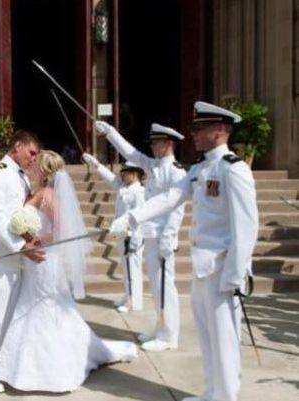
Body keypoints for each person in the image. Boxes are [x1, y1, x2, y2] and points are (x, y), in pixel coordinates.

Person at [109, 101, 258, 401]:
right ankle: (212, 392)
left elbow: (247, 226)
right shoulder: (201, 169)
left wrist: (235, 275)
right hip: (204, 268)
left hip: (222, 270)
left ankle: (226, 397)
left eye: (199, 128)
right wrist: (132, 217)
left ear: (219, 130)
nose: (193, 134)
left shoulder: (234, 170)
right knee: (207, 337)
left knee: (225, 340)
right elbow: (170, 198)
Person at [0, 150, 138, 392]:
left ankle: (54, 369)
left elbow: (61, 229)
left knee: (45, 307)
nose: (31, 166)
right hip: (34, 261)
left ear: (44, 171)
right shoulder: (34, 191)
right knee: (35, 305)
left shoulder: (48, 195)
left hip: (46, 259)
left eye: (35, 163)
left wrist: (37, 238)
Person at [94, 121, 186, 352]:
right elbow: (130, 152)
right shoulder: (154, 165)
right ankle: (161, 327)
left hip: (163, 237)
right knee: (156, 287)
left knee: (165, 287)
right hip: (151, 234)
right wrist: (110, 132)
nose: (153, 146)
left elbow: (176, 210)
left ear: (168, 143)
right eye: (153, 142)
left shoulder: (176, 171)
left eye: (157, 142)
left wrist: (168, 239)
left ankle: (169, 336)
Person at [0, 130, 45, 394]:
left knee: (6, 317)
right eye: (31, 153)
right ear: (18, 146)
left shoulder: (21, 176)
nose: (33, 159)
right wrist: (20, 246)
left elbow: (20, 215)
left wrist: (30, 238)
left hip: (13, 259)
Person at [83, 155, 145, 312]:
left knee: (133, 269)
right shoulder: (124, 188)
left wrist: (131, 235)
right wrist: (96, 164)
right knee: (125, 268)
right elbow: (110, 178)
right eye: (122, 173)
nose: (122, 175)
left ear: (135, 174)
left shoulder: (139, 192)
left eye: (126, 173)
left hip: (132, 236)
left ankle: (133, 302)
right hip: (121, 234)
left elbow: (138, 215)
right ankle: (127, 295)